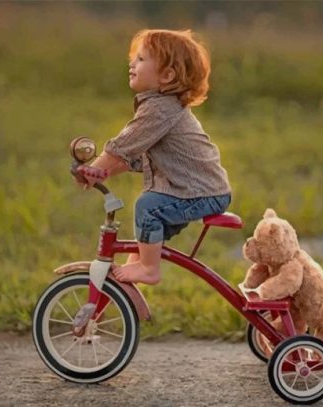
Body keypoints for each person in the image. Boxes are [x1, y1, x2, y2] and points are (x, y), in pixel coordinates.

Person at [76, 29, 231, 285]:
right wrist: (102, 172)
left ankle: (149, 269)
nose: (132, 63)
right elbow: (132, 157)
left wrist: (95, 168)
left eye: (141, 59)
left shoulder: (160, 109)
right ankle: (139, 264)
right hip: (199, 190)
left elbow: (124, 145)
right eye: (133, 58)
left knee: (148, 206)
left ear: (167, 75)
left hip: (202, 193)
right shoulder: (159, 106)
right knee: (148, 221)